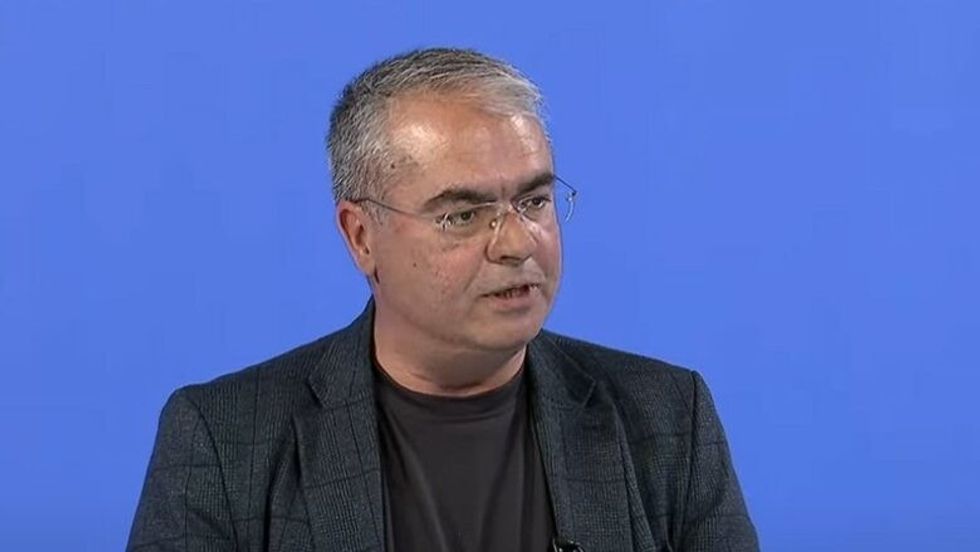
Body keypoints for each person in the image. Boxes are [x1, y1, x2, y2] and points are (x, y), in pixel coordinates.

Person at [128, 47, 759, 552]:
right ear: (361, 236)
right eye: (463, 214)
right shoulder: (223, 442)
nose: (517, 242)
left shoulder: (668, 420)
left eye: (534, 201)